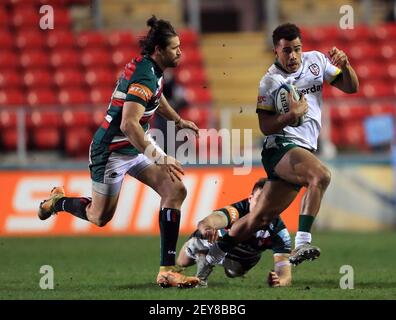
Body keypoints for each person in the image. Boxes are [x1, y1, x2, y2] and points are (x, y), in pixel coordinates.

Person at [37, 16, 200, 288]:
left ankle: (167, 270)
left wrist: (178, 121)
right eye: (174, 48)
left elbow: (156, 99)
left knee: (175, 190)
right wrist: (159, 156)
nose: (180, 52)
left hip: (134, 147)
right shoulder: (145, 75)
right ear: (159, 50)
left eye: (180, 46)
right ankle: (58, 202)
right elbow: (128, 123)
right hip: (111, 150)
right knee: (99, 217)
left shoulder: (154, 70)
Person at [202, 23, 359, 268]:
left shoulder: (316, 61)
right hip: (279, 147)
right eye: (287, 50)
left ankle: (211, 257)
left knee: (259, 219)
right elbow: (265, 126)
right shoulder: (270, 82)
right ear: (276, 50)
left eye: (296, 49)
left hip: (303, 150)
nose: (293, 55)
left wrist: (346, 65)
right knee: (321, 176)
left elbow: (352, 87)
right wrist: (290, 115)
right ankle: (303, 242)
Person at [177, 178, 292, 287]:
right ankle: (201, 251)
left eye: (267, 202)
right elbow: (214, 218)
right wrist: (207, 227)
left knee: (233, 272)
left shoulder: (279, 231)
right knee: (182, 262)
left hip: (241, 258)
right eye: (259, 200)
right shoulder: (236, 211)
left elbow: (284, 273)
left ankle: (208, 257)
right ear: (250, 198)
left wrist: (279, 281)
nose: (262, 206)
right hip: (214, 242)